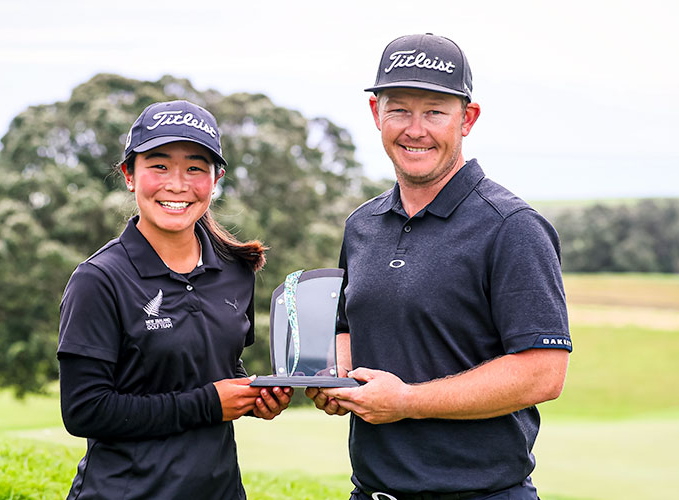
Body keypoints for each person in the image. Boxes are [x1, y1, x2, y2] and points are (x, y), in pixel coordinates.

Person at [306, 34, 572, 500]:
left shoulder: (512, 227)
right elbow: (347, 326)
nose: (415, 128)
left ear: (466, 119)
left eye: (434, 111)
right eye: (399, 109)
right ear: (376, 115)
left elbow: (543, 373)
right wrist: (337, 378)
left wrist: (406, 401)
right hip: (371, 492)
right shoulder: (361, 225)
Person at [57, 100, 293, 499]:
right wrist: (209, 404)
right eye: (159, 165)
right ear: (130, 175)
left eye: (196, 168)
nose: (178, 184)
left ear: (215, 180)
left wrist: (254, 396)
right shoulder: (98, 280)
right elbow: (85, 410)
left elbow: (217, 365)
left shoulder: (235, 271)